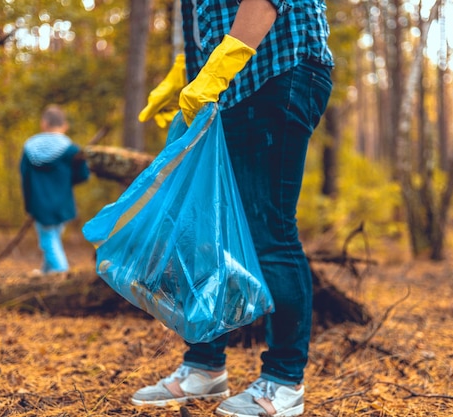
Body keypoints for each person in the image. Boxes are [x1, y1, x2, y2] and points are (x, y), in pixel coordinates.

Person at [135, 0, 334, 416]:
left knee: (269, 229)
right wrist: (187, 71)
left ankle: (283, 381)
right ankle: (205, 366)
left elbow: (262, 4)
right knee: (207, 230)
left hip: (278, 70)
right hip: (230, 87)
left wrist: (217, 70)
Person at [20, 104, 90, 275]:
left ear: (43, 124)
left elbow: (24, 176)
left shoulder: (29, 148)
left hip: (39, 203)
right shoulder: (71, 150)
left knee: (49, 240)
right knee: (51, 239)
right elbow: (83, 175)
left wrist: (29, 205)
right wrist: (66, 181)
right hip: (62, 203)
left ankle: (60, 273)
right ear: (65, 125)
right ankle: (49, 273)